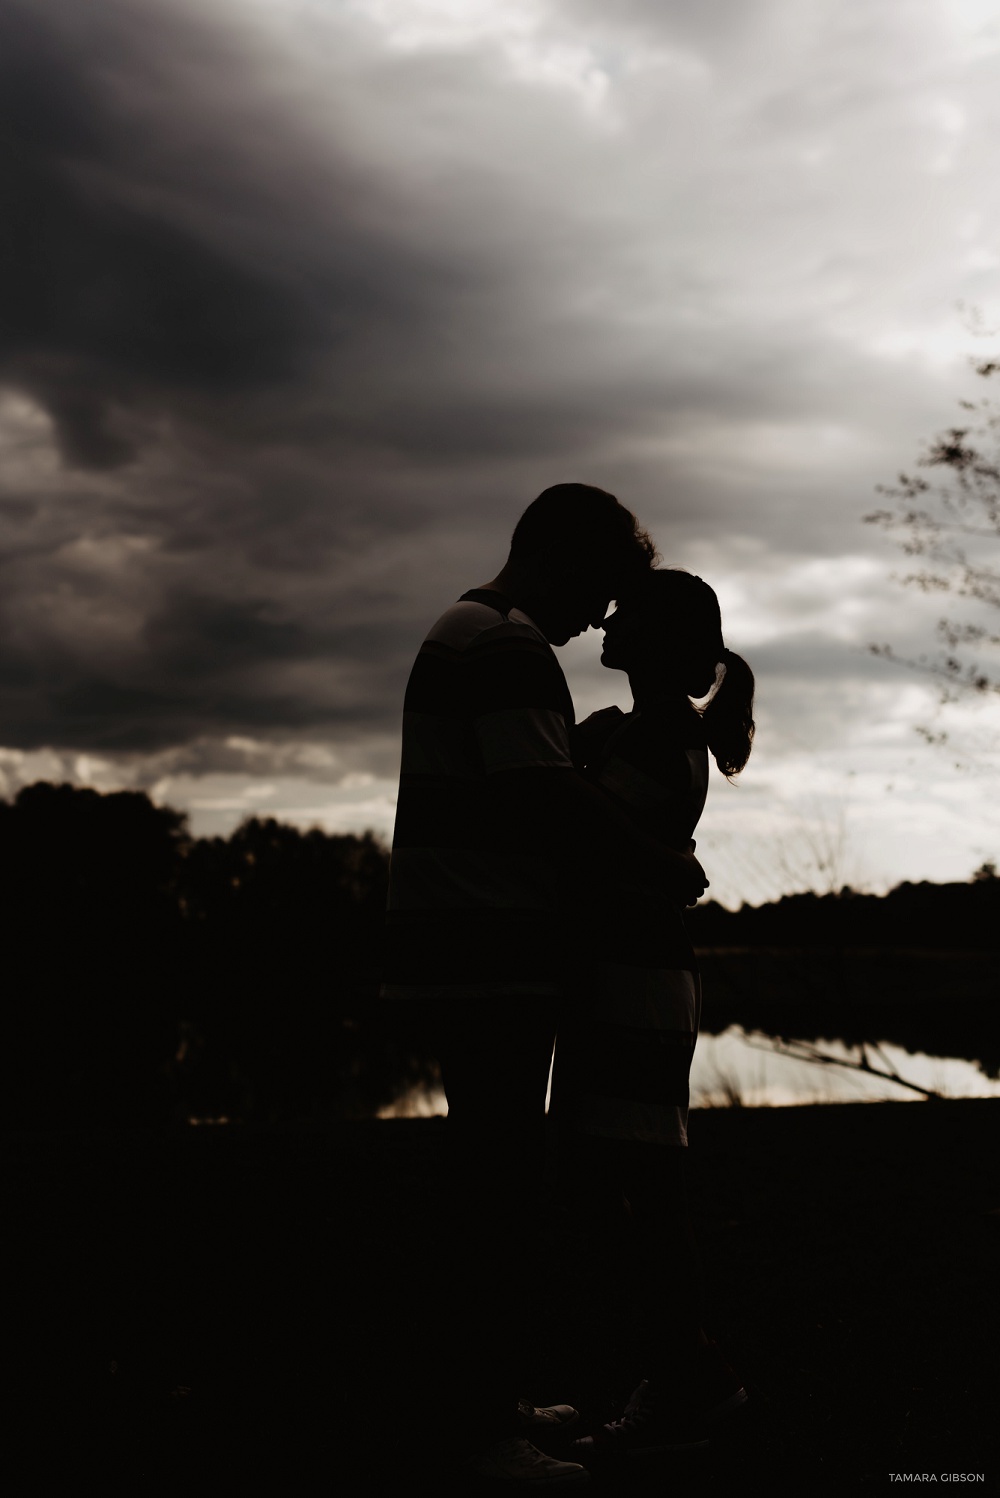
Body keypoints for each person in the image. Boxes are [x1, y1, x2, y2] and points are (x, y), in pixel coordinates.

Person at [381, 486, 709, 1486]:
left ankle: (487, 1405)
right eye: (602, 590)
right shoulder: (509, 644)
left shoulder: (471, 631)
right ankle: (477, 1434)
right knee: (492, 1194)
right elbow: (543, 796)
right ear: (561, 559)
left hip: (468, 952)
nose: (600, 619)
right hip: (487, 958)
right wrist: (660, 864)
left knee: (494, 1181)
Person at [548, 567, 756, 1465]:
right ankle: (687, 1379)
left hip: (634, 982)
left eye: (624, 614)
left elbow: (578, 831)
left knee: (639, 1198)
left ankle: (688, 1383)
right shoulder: (650, 729)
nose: (605, 620)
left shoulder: (661, 730)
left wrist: (570, 762)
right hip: (633, 976)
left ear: (659, 642)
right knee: (637, 1193)